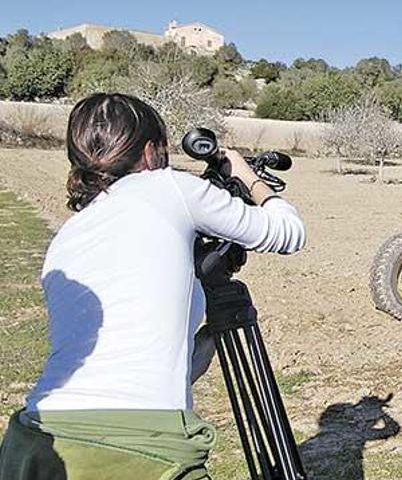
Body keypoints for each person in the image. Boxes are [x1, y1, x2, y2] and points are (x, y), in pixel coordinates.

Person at [0, 93, 306, 480]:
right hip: (138, 450)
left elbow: (147, 370)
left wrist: (211, 334)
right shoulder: (167, 187)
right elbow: (289, 233)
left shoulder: (66, 238)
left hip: (34, 444)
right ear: (149, 152)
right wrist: (249, 178)